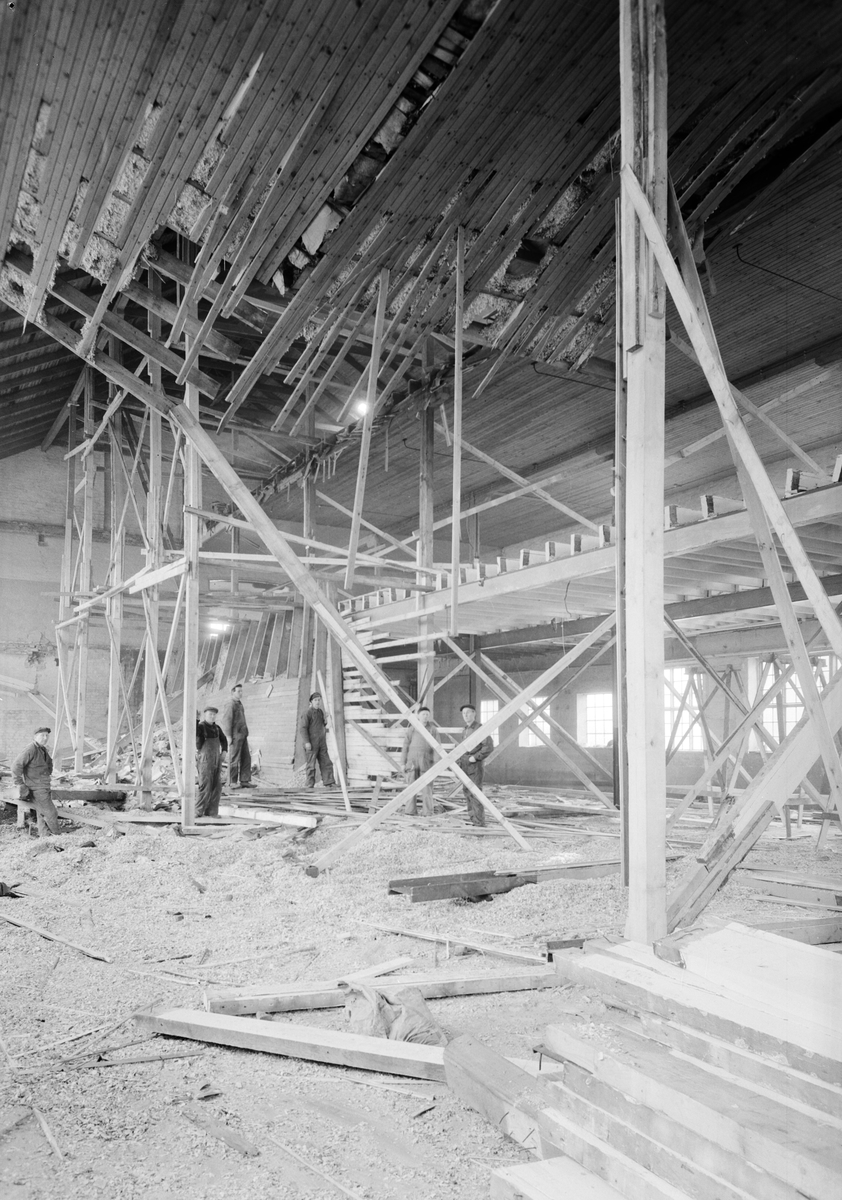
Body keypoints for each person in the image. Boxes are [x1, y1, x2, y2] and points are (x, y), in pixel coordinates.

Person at [12, 726, 60, 837]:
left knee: (42, 812)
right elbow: (16, 766)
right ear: (35, 737)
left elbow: (47, 765)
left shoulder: (42, 749)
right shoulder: (31, 749)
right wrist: (20, 783)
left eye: (47, 735)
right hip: (36, 788)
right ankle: (57, 836)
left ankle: (44, 836)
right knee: (51, 813)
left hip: (43, 786)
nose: (45, 738)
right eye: (42, 735)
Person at [457, 704, 494, 826]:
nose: (465, 715)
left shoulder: (479, 729)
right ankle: (473, 820)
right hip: (465, 764)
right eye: (463, 713)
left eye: (468, 712)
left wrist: (475, 757)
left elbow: (488, 747)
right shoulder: (465, 730)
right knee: (467, 792)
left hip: (475, 765)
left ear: (474, 713)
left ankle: (479, 823)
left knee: (475, 793)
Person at [401, 706, 438, 816]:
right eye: (423, 714)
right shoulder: (412, 729)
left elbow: (437, 748)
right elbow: (405, 746)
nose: (425, 716)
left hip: (426, 762)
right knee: (411, 787)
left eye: (427, 714)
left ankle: (428, 812)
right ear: (418, 716)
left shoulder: (433, 730)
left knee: (427, 788)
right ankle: (410, 811)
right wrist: (403, 763)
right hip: (412, 762)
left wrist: (436, 765)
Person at [220, 682, 254, 788]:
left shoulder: (239, 703)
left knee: (246, 758)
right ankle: (232, 782)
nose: (241, 693)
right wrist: (228, 736)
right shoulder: (230, 704)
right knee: (234, 759)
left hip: (242, 735)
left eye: (241, 691)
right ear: (232, 692)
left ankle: (245, 780)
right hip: (235, 736)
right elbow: (226, 720)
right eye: (239, 691)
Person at [196, 706, 228, 818]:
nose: (212, 716)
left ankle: (212, 812)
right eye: (210, 714)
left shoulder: (217, 728)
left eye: (214, 714)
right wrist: (196, 719)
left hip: (216, 760)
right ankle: (198, 811)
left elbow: (224, 740)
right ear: (205, 715)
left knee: (217, 787)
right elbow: (194, 733)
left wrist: (224, 751)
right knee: (205, 785)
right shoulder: (201, 727)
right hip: (205, 760)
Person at [299, 691, 335, 787]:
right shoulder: (307, 713)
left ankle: (329, 782)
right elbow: (303, 728)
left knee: (326, 762)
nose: (318, 702)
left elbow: (322, 725)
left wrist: (328, 719)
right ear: (311, 701)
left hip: (321, 743)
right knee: (311, 764)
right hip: (311, 743)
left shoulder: (320, 712)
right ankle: (310, 784)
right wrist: (307, 742)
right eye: (315, 700)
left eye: (319, 700)